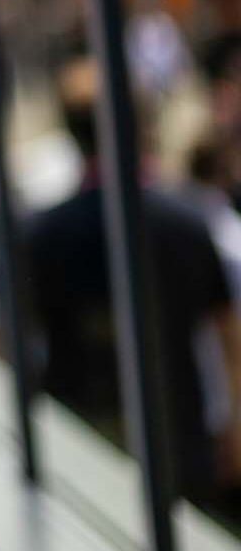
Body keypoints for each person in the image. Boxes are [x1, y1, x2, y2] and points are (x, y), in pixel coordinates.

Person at [23, 58, 241, 504]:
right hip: (179, 443)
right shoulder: (185, 222)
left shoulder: (43, 234)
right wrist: (234, 431)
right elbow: (227, 339)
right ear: (138, 126)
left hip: (81, 444)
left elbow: (19, 339)